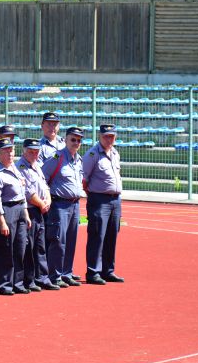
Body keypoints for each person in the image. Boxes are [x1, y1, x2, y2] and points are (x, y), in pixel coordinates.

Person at [42, 127, 84, 288]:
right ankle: (55, 274)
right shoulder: (57, 157)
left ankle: (67, 273)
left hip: (75, 204)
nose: (76, 143)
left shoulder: (78, 160)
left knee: (71, 240)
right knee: (58, 240)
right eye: (73, 139)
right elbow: (43, 176)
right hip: (59, 204)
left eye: (79, 140)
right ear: (65, 140)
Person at [82, 124, 124, 285]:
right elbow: (84, 180)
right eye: (106, 136)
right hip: (99, 200)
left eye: (112, 136)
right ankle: (93, 272)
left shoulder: (115, 153)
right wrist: (93, 195)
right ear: (100, 136)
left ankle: (108, 270)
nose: (109, 139)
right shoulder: (92, 154)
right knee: (97, 236)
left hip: (115, 200)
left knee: (111, 236)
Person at [16, 139, 59, 291]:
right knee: (30, 246)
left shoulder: (37, 166)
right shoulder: (20, 167)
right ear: (24, 150)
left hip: (40, 209)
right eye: (31, 151)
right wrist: (42, 204)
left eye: (36, 152)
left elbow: (45, 186)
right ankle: (29, 279)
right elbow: (28, 192)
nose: (34, 154)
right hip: (31, 210)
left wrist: (47, 199)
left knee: (40, 246)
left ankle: (42, 277)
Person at [0, 138, 31, 295]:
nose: (10, 153)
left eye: (11, 150)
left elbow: (22, 195)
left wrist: (26, 214)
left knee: (20, 248)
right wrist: (1, 221)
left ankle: (18, 282)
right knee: (6, 249)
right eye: (6, 151)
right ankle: (5, 284)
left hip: (21, 209)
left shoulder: (15, 169)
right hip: (7, 210)